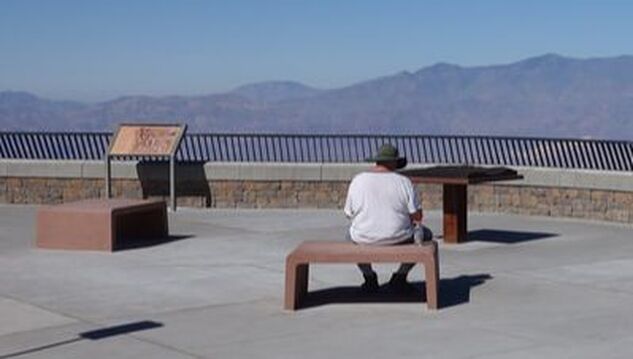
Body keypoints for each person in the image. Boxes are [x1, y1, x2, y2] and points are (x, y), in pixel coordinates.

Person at [344, 143, 431, 292]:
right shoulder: (404, 182)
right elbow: (417, 216)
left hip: (364, 238)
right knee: (426, 235)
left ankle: (369, 277)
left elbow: (348, 214)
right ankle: (400, 276)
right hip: (399, 238)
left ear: (377, 160)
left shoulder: (358, 180)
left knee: (348, 235)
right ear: (393, 162)